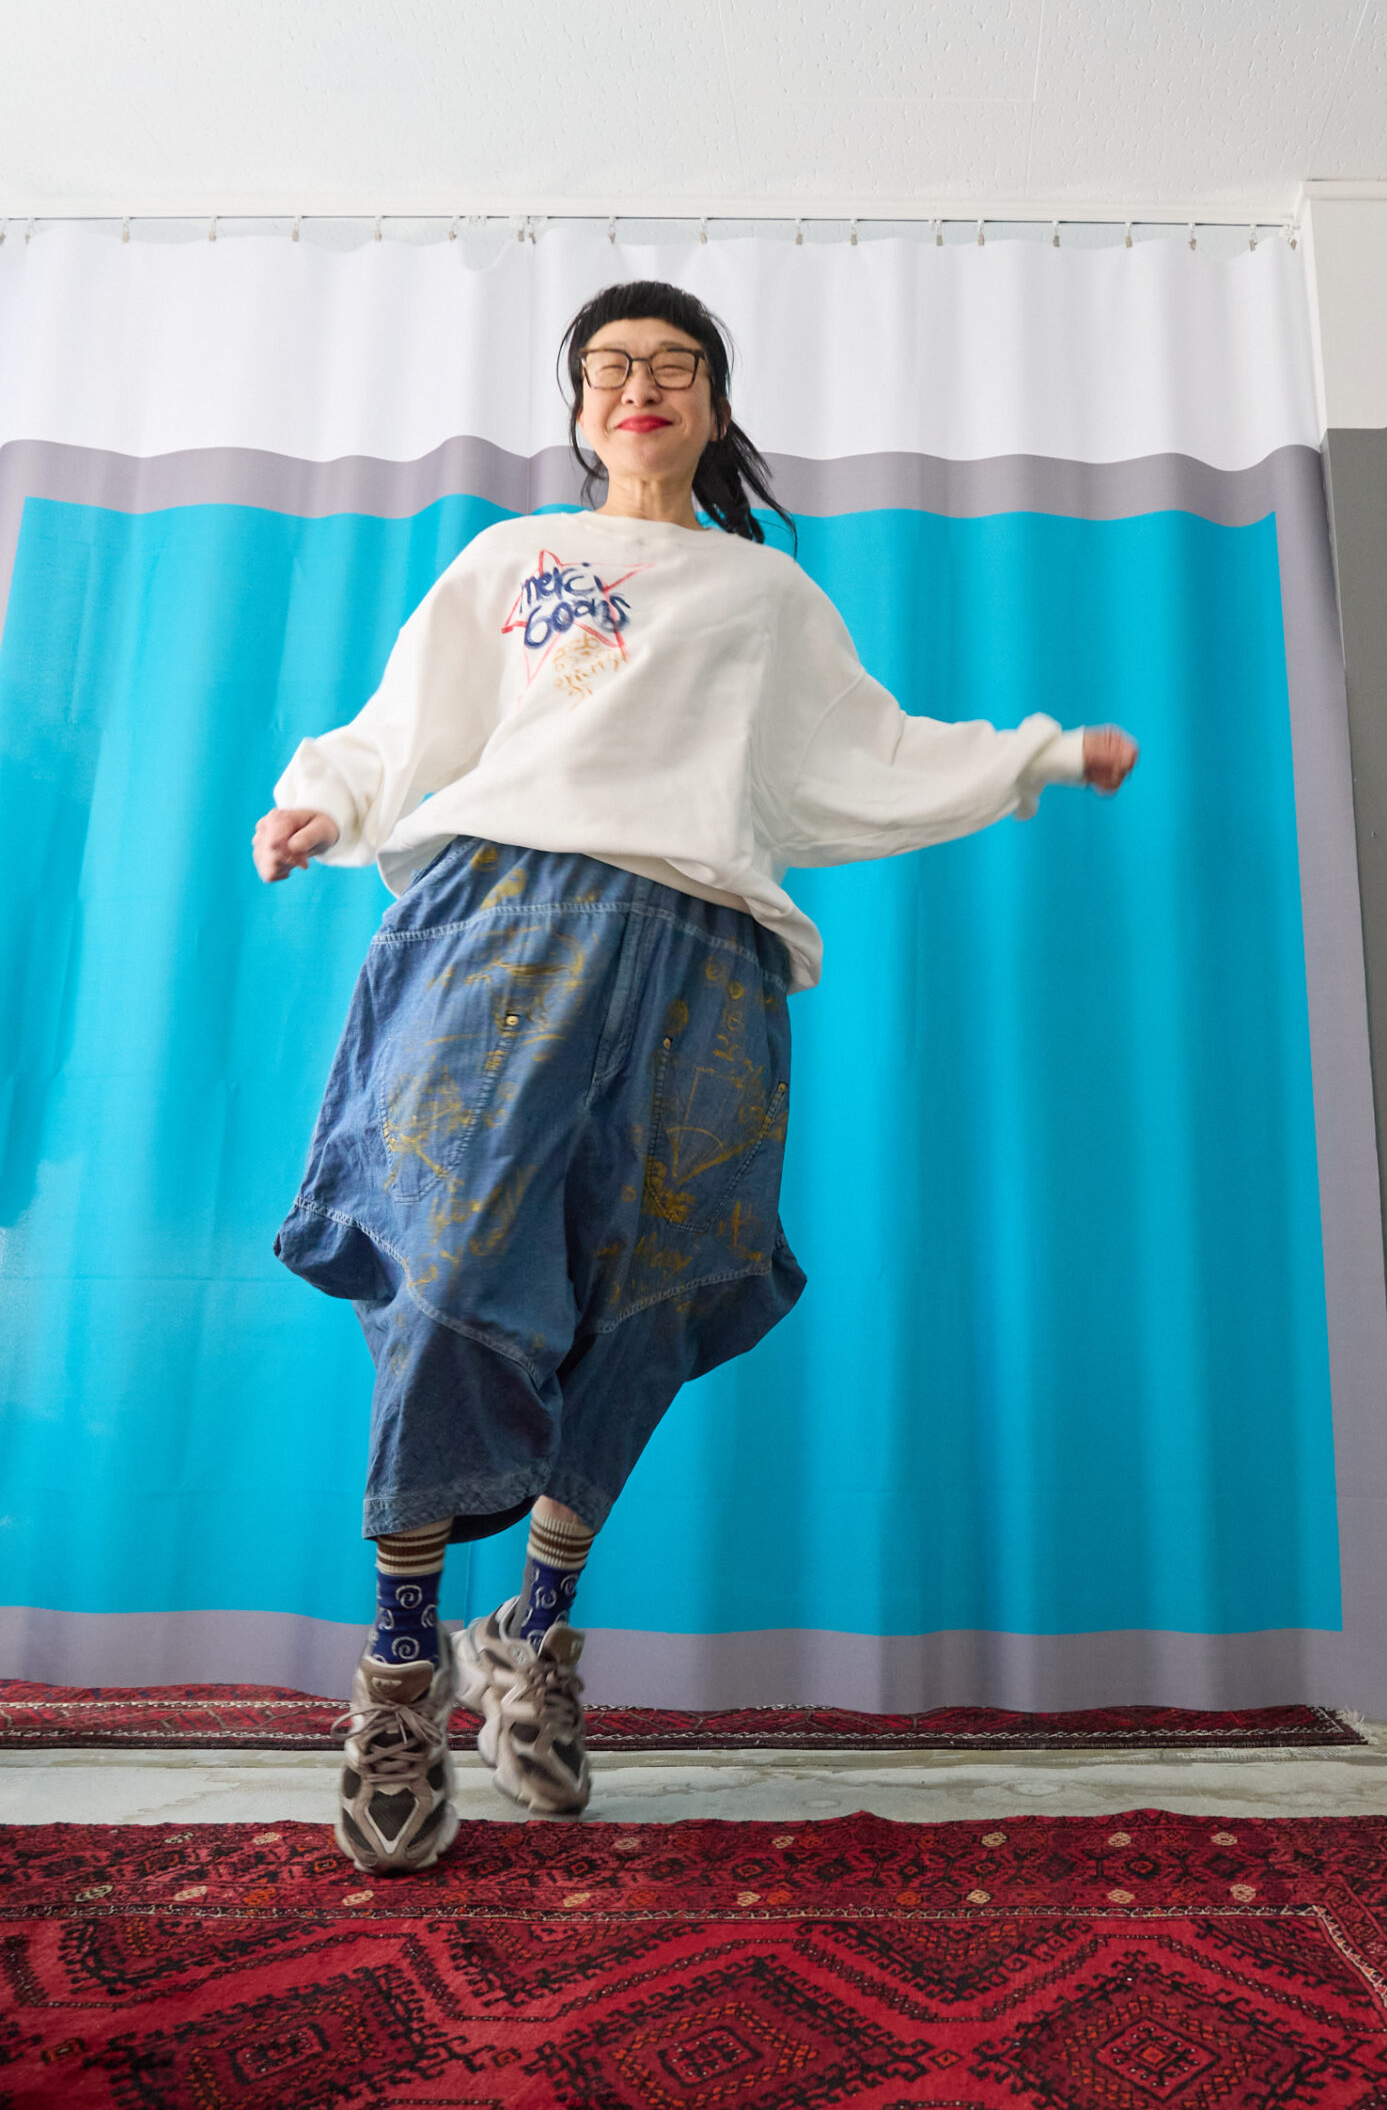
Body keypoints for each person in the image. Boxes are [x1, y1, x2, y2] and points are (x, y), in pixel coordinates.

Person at [253, 279, 1139, 1873]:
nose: (640, 386)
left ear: (717, 406)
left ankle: (533, 1634)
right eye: (610, 368)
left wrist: (1034, 756)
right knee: (447, 1278)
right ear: (579, 409)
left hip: (702, 959)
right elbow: (406, 725)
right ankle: (398, 1673)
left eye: (674, 366)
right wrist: (323, 802)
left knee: (651, 1297)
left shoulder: (764, 596)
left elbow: (864, 754)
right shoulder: (514, 561)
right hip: (504, 927)